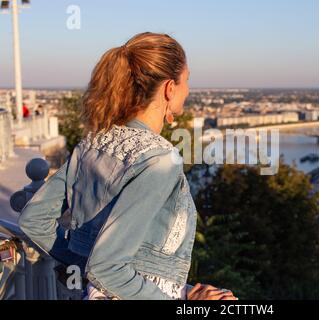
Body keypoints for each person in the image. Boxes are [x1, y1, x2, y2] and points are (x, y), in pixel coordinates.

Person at [18, 32, 237, 301]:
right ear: (170, 88)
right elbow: (107, 268)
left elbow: (34, 220)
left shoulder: (93, 144)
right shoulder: (160, 160)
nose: (189, 90)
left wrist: (82, 261)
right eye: (187, 80)